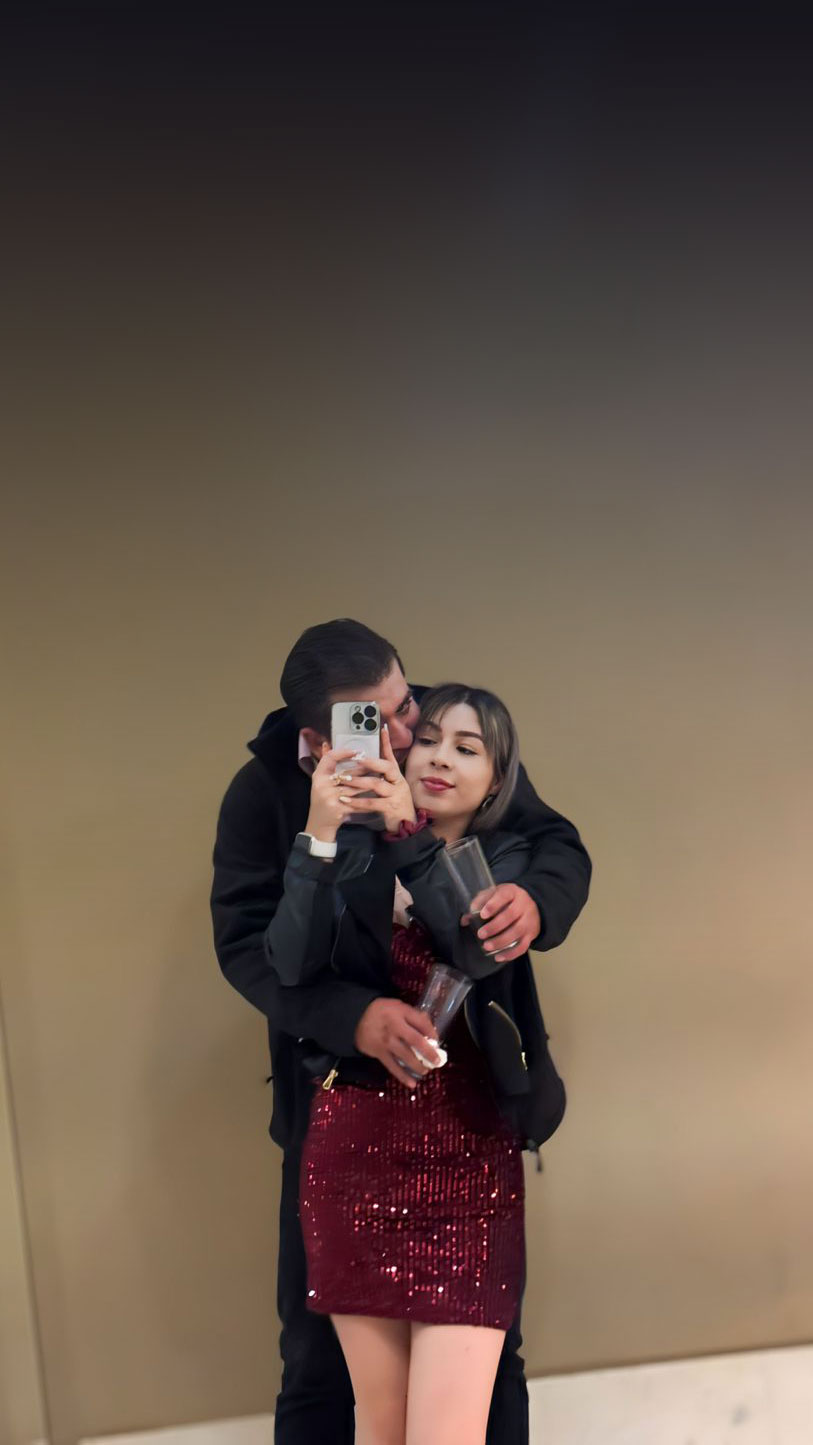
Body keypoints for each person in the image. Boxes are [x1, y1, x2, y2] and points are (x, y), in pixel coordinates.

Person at [210, 619, 591, 1445]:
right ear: (318, 736)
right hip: (342, 1113)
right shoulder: (265, 790)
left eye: (403, 702)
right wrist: (349, 1012)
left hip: (470, 1119)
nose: (405, 735)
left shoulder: (442, 736)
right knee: (315, 1362)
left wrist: (536, 902)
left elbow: (550, 845)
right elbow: (255, 952)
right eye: (371, 720)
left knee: (489, 1363)